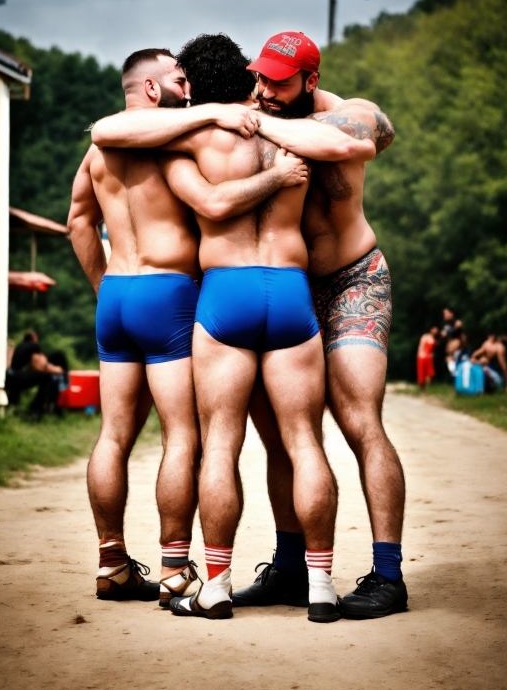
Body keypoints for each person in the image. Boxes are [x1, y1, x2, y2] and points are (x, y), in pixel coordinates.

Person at [70, 47, 307, 606]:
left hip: (117, 295)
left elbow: (78, 221)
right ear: (152, 89)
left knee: (113, 435)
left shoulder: (101, 147)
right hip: (167, 291)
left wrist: (104, 285)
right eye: (179, 79)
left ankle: (112, 562)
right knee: (183, 437)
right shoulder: (169, 141)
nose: (190, 87)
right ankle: (177, 567)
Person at [152, 34, 343, 623]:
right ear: (245, 74)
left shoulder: (188, 136)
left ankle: (216, 584)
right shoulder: (296, 133)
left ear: (193, 84)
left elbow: (202, 200)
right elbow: (347, 125)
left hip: (226, 293)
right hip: (288, 291)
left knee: (222, 445)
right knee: (305, 443)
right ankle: (321, 585)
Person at [231, 31, 407, 620]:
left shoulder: (351, 113)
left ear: (309, 79)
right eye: (259, 78)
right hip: (291, 287)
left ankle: (388, 575)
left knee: (360, 419)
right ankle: (288, 566)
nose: (264, 91)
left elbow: (356, 141)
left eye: (278, 81)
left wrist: (264, 125)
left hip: (355, 277)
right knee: (285, 432)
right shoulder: (248, 115)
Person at [5, 331, 63, 416]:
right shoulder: (34, 346)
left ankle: (11, 408)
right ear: (34, 338)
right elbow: (42, 364)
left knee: (17, 384)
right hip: (17, 375)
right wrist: (58, 370)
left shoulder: (20, 346)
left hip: (10, 375)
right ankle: (36, 410)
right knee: (46, 377)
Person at [417, 327, 439, 392]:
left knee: (430, 374)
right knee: (422, 373)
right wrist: (420, 355)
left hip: (429, 357)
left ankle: (427, 389)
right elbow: (421, 346)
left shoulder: (435, 339)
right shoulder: (425, 336)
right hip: (422, 356)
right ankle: (422, 389)